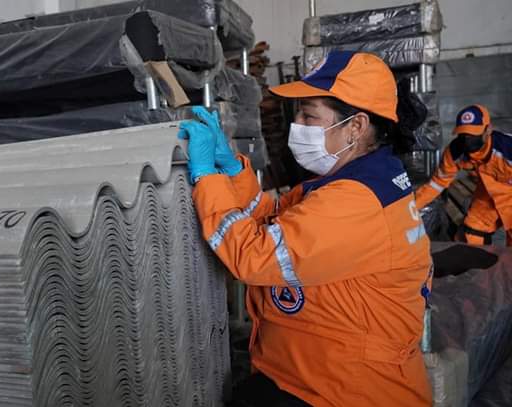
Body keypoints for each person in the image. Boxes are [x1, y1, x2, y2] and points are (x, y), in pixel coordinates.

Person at [178, 51, 433, 406]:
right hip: (314, 374)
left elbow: (256, 256)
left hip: (347, 392)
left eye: (308, 115)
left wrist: (207, 178)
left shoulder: (355, 201)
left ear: (356, 127)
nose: (296, 124)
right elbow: (278, 224)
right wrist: (234, 173)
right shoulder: (355, 181)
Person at [415, 104, 512, 245]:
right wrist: (412, 207)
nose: (467, 139)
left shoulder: (507, 148)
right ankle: (477, 258)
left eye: (473, 134)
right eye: (463, 134)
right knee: (473, 230)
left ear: (488, 130)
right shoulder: (456, 151)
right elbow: (437, 183)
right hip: (488, 192)